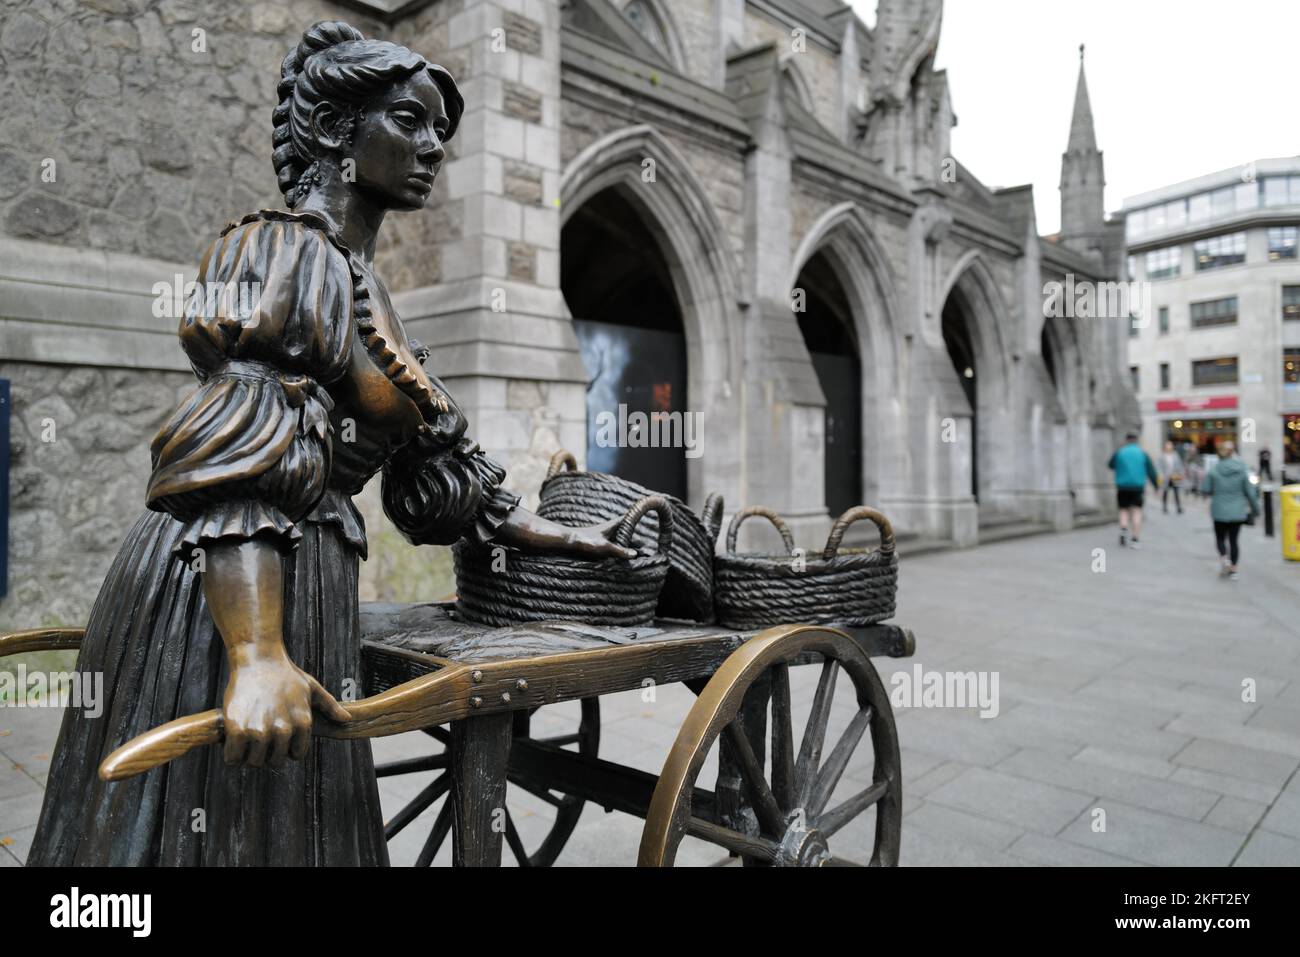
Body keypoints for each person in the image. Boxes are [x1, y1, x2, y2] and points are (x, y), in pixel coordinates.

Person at [28, 21, 634, 866]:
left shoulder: (367, 286)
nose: (432, 149)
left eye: (441, 133)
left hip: (304, 584)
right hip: (226, 593)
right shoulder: (283, 252)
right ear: (331, 133)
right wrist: (257, 653)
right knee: (211, 827)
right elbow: (241, 462)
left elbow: (434, 476)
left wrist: (551, 531)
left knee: (299, 827)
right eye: (408, 121)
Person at [1204, 441, 1260, 580]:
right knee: (1234, 541)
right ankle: (1234, 570)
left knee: (1220, 538)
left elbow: (1205, 489)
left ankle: (1224, 559)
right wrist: (1256, 510)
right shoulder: (1242, 469)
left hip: (1219, 510)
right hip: (1237, 510)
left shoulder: (1214, 469)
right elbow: (1250, 493)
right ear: (1233, 453)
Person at [1108, 432, 1158, 548]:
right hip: (1137, 487)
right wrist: (1156, 486)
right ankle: (1135, 539)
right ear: (1136, 440)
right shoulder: (1142, 453)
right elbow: (1151, 471)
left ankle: (1123, 529)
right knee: (1137, 511)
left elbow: (1110, 465)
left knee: (1123, 510)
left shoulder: (1120, 452)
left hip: (1122, 486)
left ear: (1126, 440)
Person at [1158, 440, 1185, 514]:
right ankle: (1164, 507)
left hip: (1174, 476)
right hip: (1166, 477)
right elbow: (1159, 467)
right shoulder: (1162, 456)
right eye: (1168, 445)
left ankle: (1178, 507)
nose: (1169, 446)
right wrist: (1161, 474)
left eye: (1170, 445)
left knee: (1176, 492)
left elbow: (1180, 465)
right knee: (1165, 492)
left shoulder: (1175, 455)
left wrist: (1181, 473)